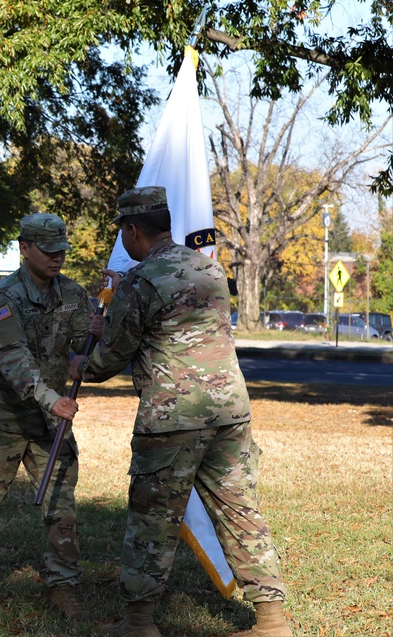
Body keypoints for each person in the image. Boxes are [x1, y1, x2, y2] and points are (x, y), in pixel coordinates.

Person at [69, 186, 291, 637]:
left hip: (173, 416)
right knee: (239, 509)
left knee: (153, 519)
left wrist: (81, 361)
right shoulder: (208, 267)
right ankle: (272, 621)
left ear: (132, 230)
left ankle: (139, 624)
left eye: (123, 232)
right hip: (229, 411)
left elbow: (110, 358)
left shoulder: (141, 279)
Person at [0, 213, 92, 621]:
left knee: (61, 508)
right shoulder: (4, 298)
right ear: (25, 248)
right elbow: (15, 361)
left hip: (49, 426)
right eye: (48, 251)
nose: (57, 259)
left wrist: (95, 344)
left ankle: (63, 588)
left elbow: (84, 347)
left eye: (62, 251)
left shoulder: (73, 293)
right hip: (2, 421)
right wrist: (52, 399)